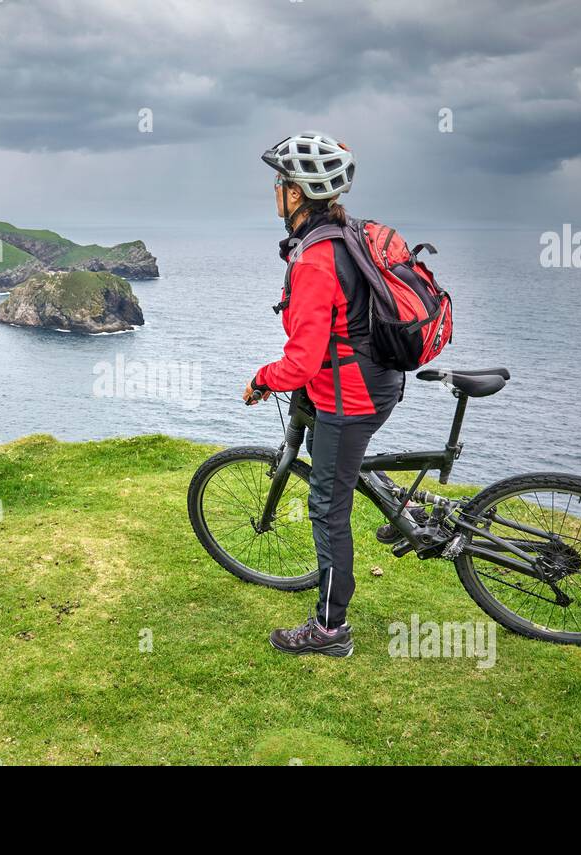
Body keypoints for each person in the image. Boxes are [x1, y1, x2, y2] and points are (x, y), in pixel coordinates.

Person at [243, 131, 404, 658]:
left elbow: (302, 362)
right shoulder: (346, 232)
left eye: (279, 182)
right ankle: (403, 513)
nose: (274, 190)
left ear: (295, 193)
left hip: (350, 395)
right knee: (338, 465)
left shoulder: (315, 259)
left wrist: (262, 379)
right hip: (379, 377)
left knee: (327, 505)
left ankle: (331, 630)